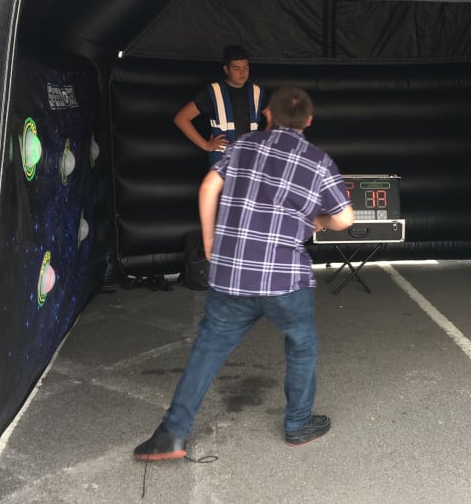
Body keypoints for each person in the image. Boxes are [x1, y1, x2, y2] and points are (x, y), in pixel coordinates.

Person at [134, 87, 354, 461]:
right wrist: (316, 220)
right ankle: (298, 424)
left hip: (232, 275)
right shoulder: (318, 161)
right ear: (309, 121)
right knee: (301, 345)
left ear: (267, 114)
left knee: (208, 348)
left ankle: (172, 434)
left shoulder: (243, 145)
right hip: (285, 279)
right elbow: (345, 219)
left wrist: (209, 242)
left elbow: (208, 187)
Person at [173, 44, 267, 166]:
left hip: (250, 162)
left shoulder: (257, 92)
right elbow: (181, 118)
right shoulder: (213, 92)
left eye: (245, 67)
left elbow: (272, 118)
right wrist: (206, 145)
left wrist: (265, 143)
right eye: (236, 68)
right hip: (223, 164)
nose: (242, 73)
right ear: (226, 69)